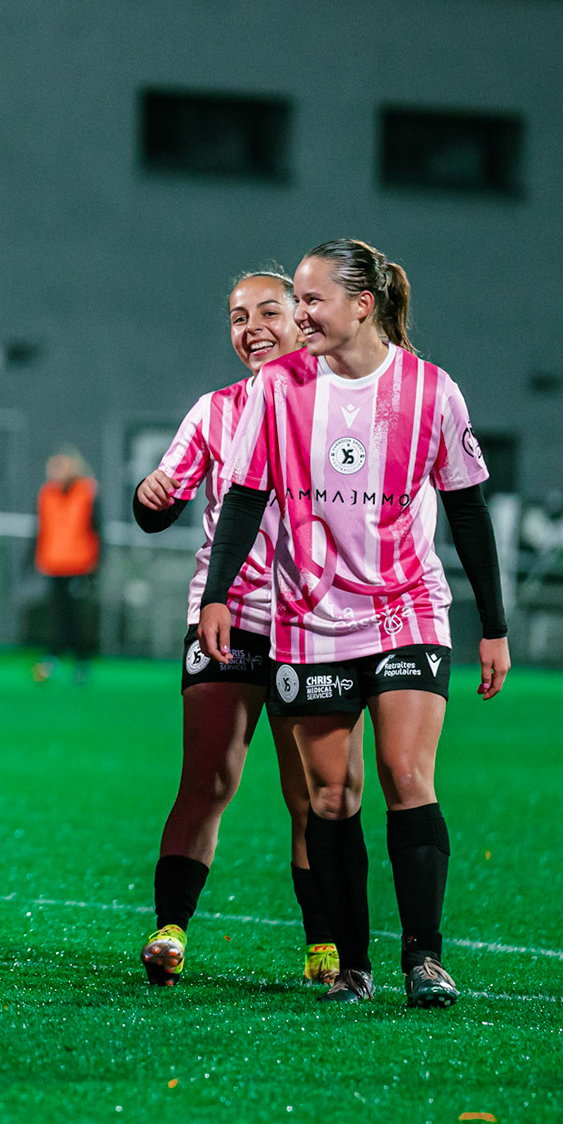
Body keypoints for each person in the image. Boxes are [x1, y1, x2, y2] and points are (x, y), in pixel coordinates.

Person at [199, 239, 510, 1008]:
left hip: (406, 608)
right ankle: (353, 966)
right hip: (308, 618)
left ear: (361, 304)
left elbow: (469, 509)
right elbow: (242, 498)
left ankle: (425, 960)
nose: (295, 315)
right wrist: (216, 594)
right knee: (331, 799)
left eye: (310, 301)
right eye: (295, 301)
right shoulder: (277, 389)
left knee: (408, 776)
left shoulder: (432, 391)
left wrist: (493, 625)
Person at [133, 270, 359, 988]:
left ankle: (323, 944)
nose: (253, 326)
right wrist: (152, 495)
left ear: (304, 320)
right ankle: (169, 930)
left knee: (312, 790)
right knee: (208, 775)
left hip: (316, 621)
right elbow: (160, 501)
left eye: (269, 310)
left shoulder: (345, 410)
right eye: (238, 316)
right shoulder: (215, 410)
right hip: (226, 613)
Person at [34, 448, 100, 683]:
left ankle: (81, 662)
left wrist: (96, 566)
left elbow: (96, 529)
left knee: (76, 617)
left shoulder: (86, 492)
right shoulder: (47, 494)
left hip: (79, 565)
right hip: (53, 564)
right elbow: (41, 529)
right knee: (56, 615)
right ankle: (53, 658)